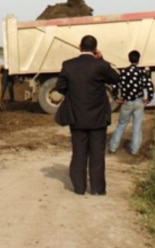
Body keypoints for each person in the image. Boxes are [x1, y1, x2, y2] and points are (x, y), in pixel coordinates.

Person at [54, 35, 120, 196]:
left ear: (79, 47)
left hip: (77, 116)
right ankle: (97, 189)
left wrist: (74, 92)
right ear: (95, 49)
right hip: (98, 118)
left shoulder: (68, 65)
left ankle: (79, 188)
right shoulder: (101, 65)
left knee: (79, 153)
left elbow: (60, 86)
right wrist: (101, 59)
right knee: (97, 154)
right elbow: (115, 78)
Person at [108, 50, 154, 156]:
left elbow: (115, 85)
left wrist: (116, 98)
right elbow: (149, 85)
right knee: (137, 126)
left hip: (127, 102)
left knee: (121, 124)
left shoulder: (123, 72)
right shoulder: (142, 73)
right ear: (139, 59)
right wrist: (149, 98)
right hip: (139, 101)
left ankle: (113, 148)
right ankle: (134, 150)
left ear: (129, 59)